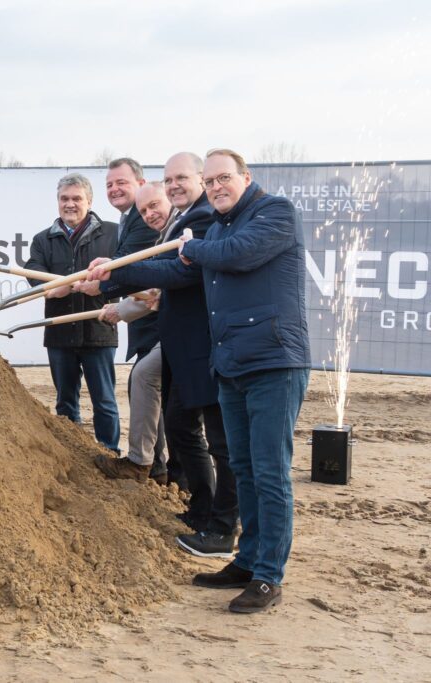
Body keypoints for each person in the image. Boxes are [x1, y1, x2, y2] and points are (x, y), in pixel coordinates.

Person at [94, 148, 309, 613]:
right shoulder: (218, 229)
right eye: (210, 182)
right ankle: (247, 559)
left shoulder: (273, 213)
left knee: (270, 472)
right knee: (247, 469)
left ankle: (269, 575)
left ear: (245, 177)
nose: (216, 188)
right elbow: (173, 271)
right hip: (229, 364)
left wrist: (188, 247)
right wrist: (113, 275)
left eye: (222, 178)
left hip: (273, 360)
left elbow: (237, 254)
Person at [89, 156, 239, 555]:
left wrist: (115, 275)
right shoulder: (184, 221)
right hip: (180, 345)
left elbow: (176, 274)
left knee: (217, 441)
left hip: (201, 348)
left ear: (199, 182)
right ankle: (202, 509)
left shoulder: (204, 220)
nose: (173, 186)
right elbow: (162, 280)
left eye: (181, 179)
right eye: (168, 179)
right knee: (181, 428)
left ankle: (221, 524)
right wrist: (116, 285)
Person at [24, 173, 120, 451]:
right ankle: (71, 455)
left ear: (89, 201)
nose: (70, 204)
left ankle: (110, 453)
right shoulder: (43, 239)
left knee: (104, 400)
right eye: (64, 199)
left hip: (99, 330)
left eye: (77, 198)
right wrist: (54, 286)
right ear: (57, 202)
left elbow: (126, 274)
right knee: (65, 401)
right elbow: (34, 272)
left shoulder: (113, 233)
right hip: (60, 332)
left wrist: (102, 287)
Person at [92, 182, 171, 483]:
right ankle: (152, 466)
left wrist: (114, 298)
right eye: (108, 184)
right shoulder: (143, 226)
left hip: (177, 331)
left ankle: (149, 466)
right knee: (146, 383)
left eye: (154, 206)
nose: (149, 213)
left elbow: (158, 285)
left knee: (155, 389)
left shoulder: (172, 229)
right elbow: (155, 288)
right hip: (159, 324)